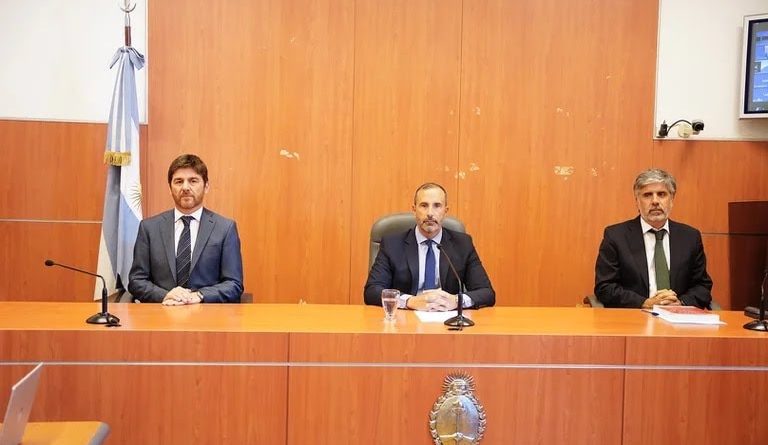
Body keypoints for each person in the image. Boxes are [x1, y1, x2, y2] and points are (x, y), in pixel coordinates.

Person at [128, 154, 244, 304]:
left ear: (206, 186)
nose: (185, 187)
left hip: (207, 313)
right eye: (178, 181)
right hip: (162, 311)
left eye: (193, 181)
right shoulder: (149, 228)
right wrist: (165, 295)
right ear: (170, 188)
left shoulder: (225, 228)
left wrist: (199, 296)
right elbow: (136, 281)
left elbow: (234, 284)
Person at [364, 183, 495, 311]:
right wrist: (409, 301)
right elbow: (372, 291)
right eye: (424, 205)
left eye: (437, 206)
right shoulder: (392, 244)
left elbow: (487, 293)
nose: (430, 213)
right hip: (406, 317)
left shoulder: (462, 244)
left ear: (445, 211)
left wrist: (456, 301)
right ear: (414, 210)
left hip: (447, 317)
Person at [594, 168, 713, 309]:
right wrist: (644, 303)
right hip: (635, 315)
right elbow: (605, 287)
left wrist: (680, 303)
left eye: (661, 194)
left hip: (679, 316)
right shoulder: (616, 236)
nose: (655, 201)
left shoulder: (690, 237)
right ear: (637, 201)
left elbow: (702, 286)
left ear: (671, 199)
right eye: (647, 195)